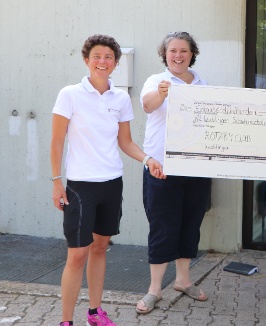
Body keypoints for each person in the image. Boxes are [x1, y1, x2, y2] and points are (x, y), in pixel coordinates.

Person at [50, 34, 164, 326]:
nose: (103, 62)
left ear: (115, 62)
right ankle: (66, 321)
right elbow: (56, 141)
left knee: (100, 249)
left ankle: (94, 313)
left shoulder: (121, 98)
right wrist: (56, 181)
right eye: (97, 57)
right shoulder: (70, 94)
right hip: (80, 187)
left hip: (112, 183)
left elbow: (125, 142)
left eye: (109, 57)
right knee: (77, 255)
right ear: (87, 60)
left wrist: (147, 159)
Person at [135, 31, 212, 314]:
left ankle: (183, 280)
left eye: (184, 51)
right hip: (161, 168)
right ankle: (154, 289)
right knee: (162, 226)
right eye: (173, 51)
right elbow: (147, 105)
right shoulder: (156, 81)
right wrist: (162, 93)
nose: (178, 55)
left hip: (195, 166)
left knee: (190, 224)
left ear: (192, 54)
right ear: (165, 55)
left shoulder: (203, 83)